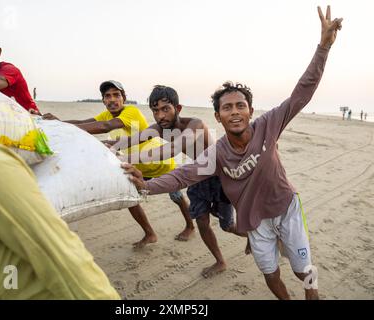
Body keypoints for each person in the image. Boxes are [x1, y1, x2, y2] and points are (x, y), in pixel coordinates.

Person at [123, 6, 342, 299]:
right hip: (255, 222)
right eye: (227, 107)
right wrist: (146, 185)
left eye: (240, 106)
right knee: (271, 273)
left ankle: (311, 293)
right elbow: (182, 176)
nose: (235, 111)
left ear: (250, 111)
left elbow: (302, 92)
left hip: (286, 209)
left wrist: (323, 48)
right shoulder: (218, 154)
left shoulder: (268, 125)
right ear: (218, 116)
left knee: (304, 270)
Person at [0, 132, 119, 299]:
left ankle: (147, 231)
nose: (110, 102)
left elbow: (50, 249)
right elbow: (53, 249)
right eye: (106, 101)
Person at [109, 85, 248, 278]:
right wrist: (111, 146)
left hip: (220, 178)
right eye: (155, 111)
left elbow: (175, 148)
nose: (160, 116)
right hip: (198, 176)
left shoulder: (195, 124)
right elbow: (134, 139)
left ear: (178, 108)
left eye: (166, 109)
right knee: (201, 221)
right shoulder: (159, 128)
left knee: (228, 226)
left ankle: (250, 236)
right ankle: (220, 261)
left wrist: (129, 159)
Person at [43, 80, 195, 246]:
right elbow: (83, 122)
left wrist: (63, 126)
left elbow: (106, 126)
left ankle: (190, 226)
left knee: (176, 196)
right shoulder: (107, 115)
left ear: (124, 98)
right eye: (107, 96)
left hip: (159, 163)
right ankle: (150, 234)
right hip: (136, 166)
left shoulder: (131, 112)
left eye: (116, 95)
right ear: (103, 100)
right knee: (130, 198)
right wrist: (59, 122)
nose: (112, 99)